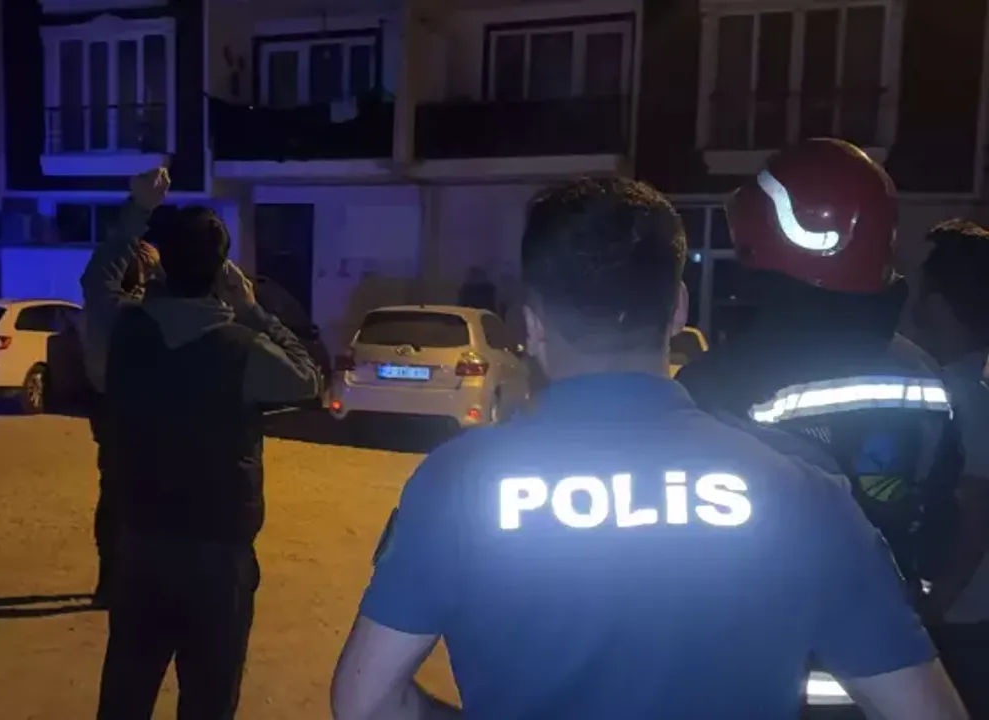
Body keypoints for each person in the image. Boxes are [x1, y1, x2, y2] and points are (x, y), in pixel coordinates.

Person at [330, 177, 967, 719]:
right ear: (678, 309)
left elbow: (363, 701)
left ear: (533, 325)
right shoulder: (800, 487)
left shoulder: (456, 485)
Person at [673, 139, 966, 609]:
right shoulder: (924, 373)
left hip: (764, 633)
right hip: (889, 635)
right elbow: (939, 526)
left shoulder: (716, 384)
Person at [95, 193, 321, 719]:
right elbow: (308, 377)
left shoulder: (122, 332)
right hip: (217, 553)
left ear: (163, 265)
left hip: (141, 540)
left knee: (125, 695)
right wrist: (253, 310)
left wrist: (136, 211)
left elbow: (98, 280)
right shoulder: (242, 348)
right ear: (222, 271)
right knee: (209, 699)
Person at [80, 168, 254, 605]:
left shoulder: (116, 319)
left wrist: (139, 212)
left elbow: (99, 280)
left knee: (118, 495)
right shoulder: (144, 322)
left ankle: (114, 581)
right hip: (157, 429)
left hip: (117, 417)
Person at [909, 219, 989, 716]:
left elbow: (975, 512)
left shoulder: (963, 399)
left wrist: (933, 610)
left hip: (964, 628)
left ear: (938, 305)